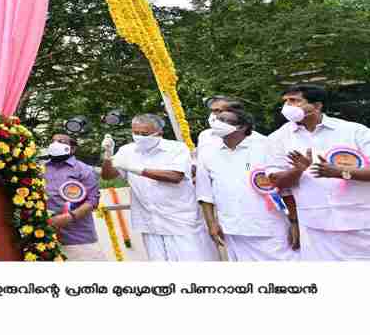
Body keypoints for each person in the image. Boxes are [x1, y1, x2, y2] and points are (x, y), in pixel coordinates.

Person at [267, 84, 370, 260]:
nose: (288, 107)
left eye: (295, 101)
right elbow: (276, 181)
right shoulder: (278, 138)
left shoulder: (354, 131)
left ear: (317, 106)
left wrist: (340, 172)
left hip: (360, 224)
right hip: (315, 228)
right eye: (285, 102)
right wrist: (297, 170)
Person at [101, 114, 218, 261]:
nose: (139, 137)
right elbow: (108, 176)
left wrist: (138, 169)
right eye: (135, 133)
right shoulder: (127, 150)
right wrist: (107, 157)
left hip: (180, 221)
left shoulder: (176, 148)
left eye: (144, 134)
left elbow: (175, 177)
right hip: (150, 223)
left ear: (159, 133)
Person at [197, 109, 299, 261]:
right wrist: (212, 224)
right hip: (232, 229)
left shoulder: (266, 147)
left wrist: (294, 222)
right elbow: (205, 194)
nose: (217, 123)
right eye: (217, 119)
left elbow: (286, 188)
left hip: (269, 226)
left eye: (224, 120)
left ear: (242, 127)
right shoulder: (207, 153)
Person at [45, 134, 104, 261]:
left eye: (60, 141)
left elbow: (92, 201)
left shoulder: (84, 170)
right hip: (46, 238)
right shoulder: (40, 169)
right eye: (53, 141)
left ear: (72, 149)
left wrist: (69, 217)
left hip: (78, 238)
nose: (55, 144)